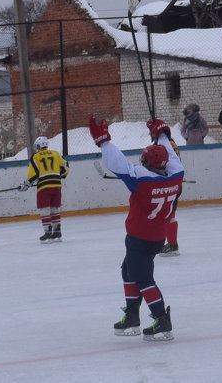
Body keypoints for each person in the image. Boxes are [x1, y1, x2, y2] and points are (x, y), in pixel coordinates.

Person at [88, 115, 183, 341]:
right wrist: (161, 134)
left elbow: (117, 163)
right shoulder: (176, 176)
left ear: (148, 163)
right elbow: (171, 156)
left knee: (143, 279)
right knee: (127, 270)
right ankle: (132, 315)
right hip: (156, 237)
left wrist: (103, 141)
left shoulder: (142, 180)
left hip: (140, 238)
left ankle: (162, 319)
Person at [21, 136, 69, 243]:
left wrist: (27, 183)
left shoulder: (36, 156)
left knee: (44, 209)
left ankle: (47, 233)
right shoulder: (56, 154)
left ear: (39, 146)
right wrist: (59, 175)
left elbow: (34, 174)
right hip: (57, 185)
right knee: (54, 208)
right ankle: (57, 232)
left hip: (44, 187)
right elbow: (65, 167)